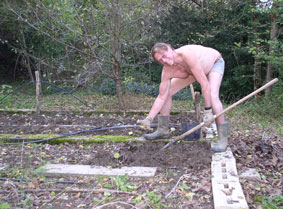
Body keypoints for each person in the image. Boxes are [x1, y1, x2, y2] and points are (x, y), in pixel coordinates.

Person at [137, 42, 229, 152]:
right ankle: (162, 130)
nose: (164, 60)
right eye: (160, 60)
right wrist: (149, 118)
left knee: (213, 96)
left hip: (214, 63)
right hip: (193, 72)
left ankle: (223, 139)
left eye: (164, 55)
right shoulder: (167, 70)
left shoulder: (187, 55)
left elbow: (204, 85)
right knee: (167, 93)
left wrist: (208, 111)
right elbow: (162, 96)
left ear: (170, 49)